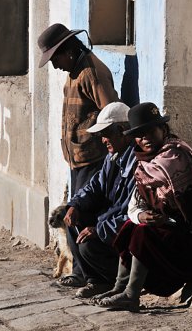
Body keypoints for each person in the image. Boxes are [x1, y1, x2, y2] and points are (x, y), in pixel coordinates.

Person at [92, 102, 192, 312]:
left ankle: (131, 294)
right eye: (139, 134)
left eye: (150, 131)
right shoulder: (142, 164)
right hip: (166, 232)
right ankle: (120, 287)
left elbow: (191, 212)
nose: (145, 138)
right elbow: (134, 206)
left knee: (143, 234)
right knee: (130, 227)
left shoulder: (174, 156)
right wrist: (142, 215)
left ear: (163, 130)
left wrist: (163, 220)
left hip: (189, 237)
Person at [57, 102, 136, 299]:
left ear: (121, 131)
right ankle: (94, 279)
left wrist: (99, 229)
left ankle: (107, 280)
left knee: (88, 244)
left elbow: (129, 212)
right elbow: (94, 186)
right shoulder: (112, 158)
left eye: (106, 134)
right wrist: (75, 205)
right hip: (110, 221)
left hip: (123, 230)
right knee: (74, 221)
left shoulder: (137, 161)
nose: (102, 140)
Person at [37, 23, 119, 196]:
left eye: (55, 60)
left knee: (84, 215)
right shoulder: (75, 70)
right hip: (80, 160)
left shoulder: (90, 73)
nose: (55, 66)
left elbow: (112, 114)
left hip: (94, 161)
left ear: (68, 52)